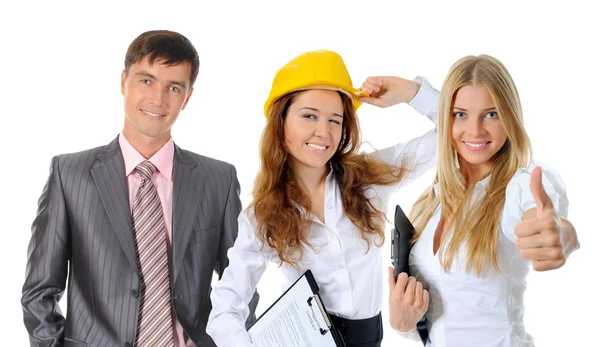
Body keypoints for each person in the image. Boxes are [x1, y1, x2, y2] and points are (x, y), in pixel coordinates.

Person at [21, 29, 257, 347]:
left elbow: (240, 286)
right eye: (146, 80)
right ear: (123, 82)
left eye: (173, 87)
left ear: (187, 97)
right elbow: (39, 293)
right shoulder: (70, 174)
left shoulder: (218, 180)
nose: (158, 99)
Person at [206, 49, 439, 347]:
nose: (323, 133)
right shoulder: (262, 215)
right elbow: (226, 306)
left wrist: (411, 92)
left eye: (335, 120)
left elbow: (453, 136)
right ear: (281, 121)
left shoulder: (370, 178)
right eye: (309, 116)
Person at [387, 54, 580, 346]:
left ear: (510, 119)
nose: (475, 130)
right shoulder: (433, 201)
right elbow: (433, 321)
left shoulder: (517, 187)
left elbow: (542, 216)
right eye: (460, 114)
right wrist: (403, 325)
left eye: (491, 114)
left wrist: (562, 235)